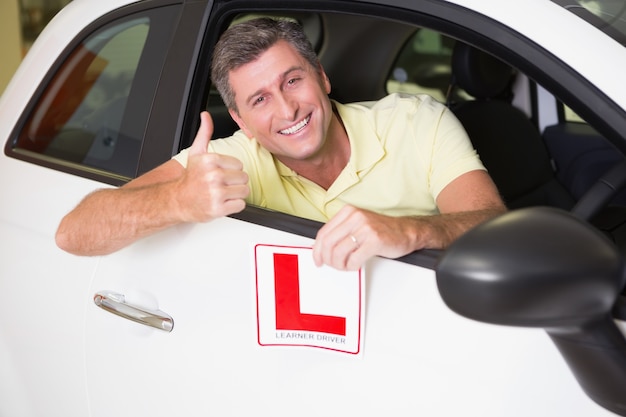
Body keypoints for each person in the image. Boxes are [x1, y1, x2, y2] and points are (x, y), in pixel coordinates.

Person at [55, 17, 506, 271]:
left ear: (322, 78)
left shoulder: (417, 122)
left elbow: (496, 228)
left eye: (292, 80)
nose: (288, 110)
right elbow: (74, 231)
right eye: (260, 99)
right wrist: (178, 199)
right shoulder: (231, 161)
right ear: (241, 121)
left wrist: (410, 231)